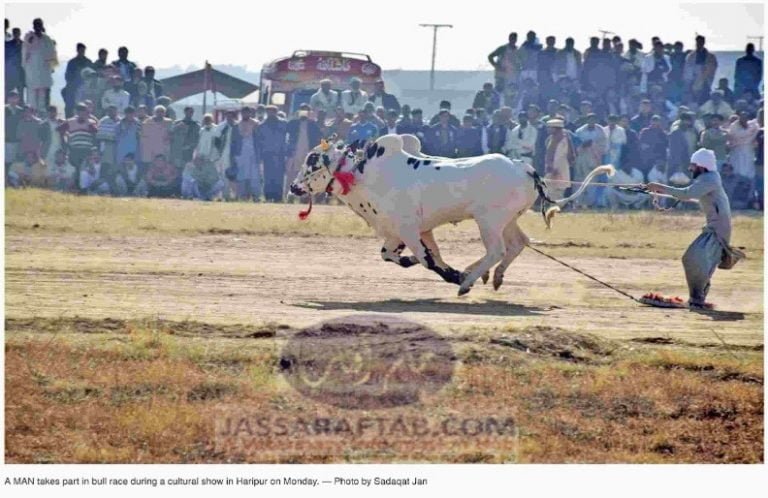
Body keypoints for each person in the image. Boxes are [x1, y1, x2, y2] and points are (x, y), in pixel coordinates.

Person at [646, 148, 742, 309]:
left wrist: (659, 186)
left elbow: (686, 194)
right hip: (715, 226)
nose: (690, 169)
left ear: (702, 166)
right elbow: (689, 193)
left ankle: (697, 299)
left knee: (694, 259)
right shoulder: (707, 177)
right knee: (699, 260)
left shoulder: (709, 179)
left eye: (693, 165)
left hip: (717, 229)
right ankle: (697, 298)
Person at [22, 18, 58, 112]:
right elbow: (25, 53)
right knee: (32, 97)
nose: (38, 26)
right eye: (36, 25)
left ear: (42, 25)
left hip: (44, 71)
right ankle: (31, 115)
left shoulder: (47, 39)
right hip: (32, 71)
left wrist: (52, 67)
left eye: (39, 24)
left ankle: (42, 114)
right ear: (33, 26)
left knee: (43, 96)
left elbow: (53, 53)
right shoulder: (29, 37)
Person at [574, 113, 607, 206]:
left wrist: (593, 145)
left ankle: (590, 203)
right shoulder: (579, 131)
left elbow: (604, 146)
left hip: (594, 159)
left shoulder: (601, 131)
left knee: (592, 181)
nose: (591, 121)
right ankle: (577, 202)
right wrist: (583, 145)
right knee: (579, 180)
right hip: (581, 159)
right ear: (587, 120)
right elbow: (575, 145)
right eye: (590, 119)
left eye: (593, 119)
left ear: (596, 120)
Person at [257, 105, 288, 201]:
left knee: (279, 176)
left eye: (272, 112)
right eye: (269, 112)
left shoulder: (283, 124)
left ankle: (278, 197)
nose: (271, 114)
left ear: (276, 112)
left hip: (280, 153)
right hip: (267, 154)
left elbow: (288, 138)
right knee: (268, 176)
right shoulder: (261, 126)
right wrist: (260, 155)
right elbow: (259, 141)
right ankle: (268, 196)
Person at [230, 106, 261, 201]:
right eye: (243, 113)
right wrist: (233, 155)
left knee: (254, 176)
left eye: (247, 113)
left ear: (250, 113)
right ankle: (242, 196)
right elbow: (233, 142)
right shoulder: (236, 125)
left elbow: (260, 140)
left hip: (253, 153)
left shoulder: (256, 124)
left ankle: (256, 196)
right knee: (241, 175)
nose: (245, 114)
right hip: (240, 153)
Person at [543, 118, 575, 199]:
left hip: (560, 167)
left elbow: (571, 155)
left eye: (550, 128)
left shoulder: (564, 139)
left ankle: (556, 206)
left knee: (558, 189)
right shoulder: (551, 139)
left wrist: (553, 166)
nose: (548, 129)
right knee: (549, 188)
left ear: (555, 128)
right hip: (554, 167)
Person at [726, 110, 759, 183]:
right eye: (742, 117)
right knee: (737, 170)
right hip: (737, 151)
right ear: (739, 118)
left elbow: (755, 135)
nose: (744, 118)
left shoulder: (753, 126)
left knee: (749, 171)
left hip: (748, 151)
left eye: (746, 117)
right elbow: (735, 136)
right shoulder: (733, 126)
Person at [684, 35, 718, 105]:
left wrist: (705, 71)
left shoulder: (711, 56)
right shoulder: (691, 56)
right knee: (693, 102)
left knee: (704, 102)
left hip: (705, 83)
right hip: (693, 83)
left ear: (704, 42)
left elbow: (713, 68)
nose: (699, 43)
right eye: (698, 42)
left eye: (701, 42)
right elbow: (687, 69)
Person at [62, 43, 92, 118]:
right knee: (70, 108)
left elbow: (92, 76)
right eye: (80, 50)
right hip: (73, 88)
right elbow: (67, 76)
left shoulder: (88, 62)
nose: (82, 52)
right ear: (77, 50)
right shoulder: (72, 62)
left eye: (83, 50)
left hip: (85, 89)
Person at [139, 105, 172, 170]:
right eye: (158, 111)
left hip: (162, 149)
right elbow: (143, 137)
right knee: (149, 167)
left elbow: (171, 134)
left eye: (162, 112)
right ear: (154, 112)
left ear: (165, 113)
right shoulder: (147, 122)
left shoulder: (169, 122)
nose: (160, 113)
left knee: (161, 166)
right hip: (150, 150)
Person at [170, 106, 200, 172]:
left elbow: (198, 139)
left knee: (187, 169)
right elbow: (170, 132)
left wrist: (190, 146)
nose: (190, 113)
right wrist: (177, 127)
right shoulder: (177, 123)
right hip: (177, 150)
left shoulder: (196, 125)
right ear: (185, 112)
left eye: (192, 112)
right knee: (176, 168)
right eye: (189, 112)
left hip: (188, 151)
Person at [5, 90, 24, 166]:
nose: (13, 100)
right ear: (8, 99)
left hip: (17, 140)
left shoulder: (21, 111)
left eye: (15, 98)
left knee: (15, 162)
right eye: (11, 98)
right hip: (6, 140)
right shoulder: (4, 109)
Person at [5, 27, 24, 97]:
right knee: (8, 92)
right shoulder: (7, 45)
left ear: (20, 34)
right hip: (10, 72)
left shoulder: (24, 45)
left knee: (20, 92)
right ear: (13, 34)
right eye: (15, 33)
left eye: (18, 33)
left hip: (21, 73)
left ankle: (21, 106)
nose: (16, 35)